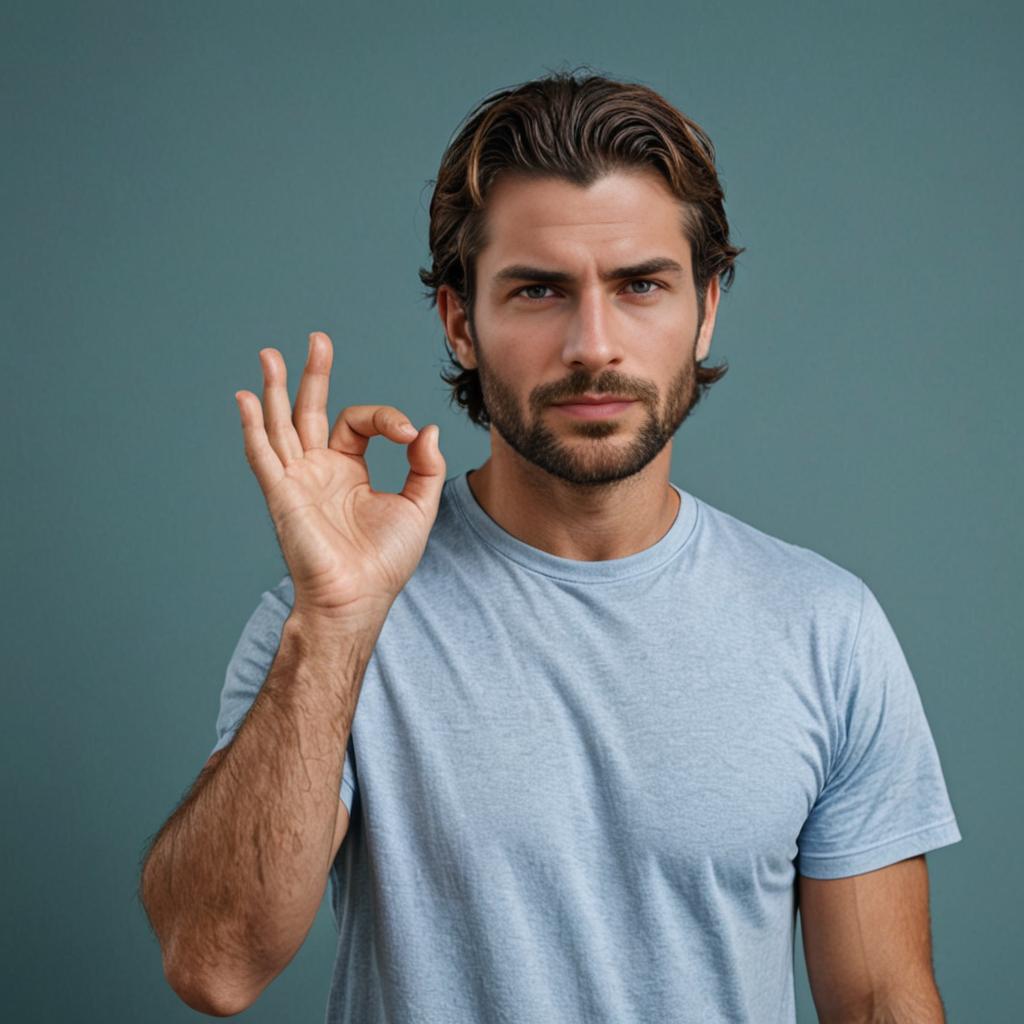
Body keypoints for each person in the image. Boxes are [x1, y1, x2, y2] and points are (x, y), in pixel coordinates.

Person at [139, 69, 962, 1022]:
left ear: (705, 309)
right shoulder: (326, 627)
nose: (593, 343)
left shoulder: (826, 627)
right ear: (461, 322)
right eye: (537, 291)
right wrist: (332, 623)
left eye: (641, 285)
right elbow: (213, 965)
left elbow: (879, 1002)